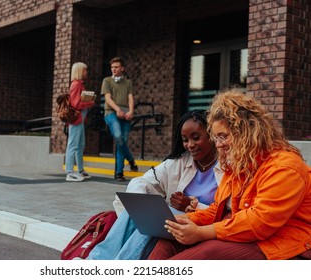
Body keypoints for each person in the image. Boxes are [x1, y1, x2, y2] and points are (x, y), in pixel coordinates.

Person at [148, 90, 311, 260]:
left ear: (246, 131)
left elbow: (259, 222)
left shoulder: (285, 167)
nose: (218, 145)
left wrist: (201, 233)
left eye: (223, 137)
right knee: (167, 242)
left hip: (283, 245)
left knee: (205, 253)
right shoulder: (238, 165)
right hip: (243, 234)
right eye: (216, 138)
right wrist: (182, 219)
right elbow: (216, 210)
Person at [86, 110, 223, 260]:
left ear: (211, 134)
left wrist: (191, 206)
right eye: (185, 140)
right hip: (179, 221)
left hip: (204, 226)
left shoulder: (227, 167)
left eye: (196, 138)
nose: (190, 145)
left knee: (157, 221)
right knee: (142, 211)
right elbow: (142, 181)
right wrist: (141, 206)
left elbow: (229, 212)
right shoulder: (180, 162)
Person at [102, 57, 138, 182]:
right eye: (112, 67)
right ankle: (131, 159)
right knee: (118, 136)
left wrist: (131, 111)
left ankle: (119, 173)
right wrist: (117, 110)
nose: (114, 69)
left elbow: (130, 98)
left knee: (122, 142)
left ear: (122, 68)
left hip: (126, 114)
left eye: (116, 67)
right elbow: (107, 98)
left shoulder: (128, 83)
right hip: (111, 113)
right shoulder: (107, 81)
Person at [65, 62, 95, 182]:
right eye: (85, 70)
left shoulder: (78, 84)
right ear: (79, 71)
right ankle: (70, 172)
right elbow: (76, 104)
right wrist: (90, 102)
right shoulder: (76, 84)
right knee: (73, 145)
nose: (86, 72)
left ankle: (80, 170)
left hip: (79, 119)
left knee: (79, 145)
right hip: (77, 119)